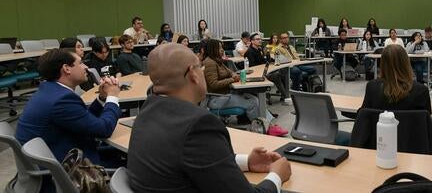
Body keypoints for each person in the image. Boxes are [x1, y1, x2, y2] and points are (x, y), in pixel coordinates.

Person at [127, 43, 291, 192]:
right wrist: (276, 175)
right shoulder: (198, 125)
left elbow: (195, 158)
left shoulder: (146, 112)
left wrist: (247, 162)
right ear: (193, 74)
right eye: (200, 67)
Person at [15, 49, 122, 192]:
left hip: (57, 158)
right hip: (67, 173)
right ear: (66, 69)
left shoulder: (50, 91)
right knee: (132, 163)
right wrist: (113, 97)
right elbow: (104, 129)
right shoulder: (61, 100)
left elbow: (82, 119)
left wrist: (102, 98)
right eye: (81, 63)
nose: (86, 67)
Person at [203, 39, 262, 123]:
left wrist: (233, 74)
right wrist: (232, 79)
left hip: (224, 94)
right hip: (216, 99)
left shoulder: (217, 60)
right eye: (219, 48)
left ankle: (261, 122)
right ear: (213, 49)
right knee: (252, 102)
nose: (222, 50)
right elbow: (213, 84)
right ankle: (258, 127)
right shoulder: (210, 63)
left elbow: (229, 71)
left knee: (254, 98)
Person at [360, 45, 431, 113]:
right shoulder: (421, 90)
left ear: (382, 63)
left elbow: (363, 115)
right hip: (411, 125)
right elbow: (427, 119)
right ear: (406, 63)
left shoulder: (372, 87)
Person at [245, 33, 288, 102]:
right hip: (257, 75)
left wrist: (271, 61)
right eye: (257, 39)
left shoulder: (259, 50)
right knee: (277, 75)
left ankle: (285, 95)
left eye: (260, 39)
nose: (260, 41)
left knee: (282, 71)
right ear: (252, 41)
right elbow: (252, 67)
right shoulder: (250, 52)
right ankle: (285, 96)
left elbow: (264, 61)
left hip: (263, 71)